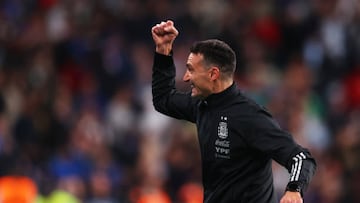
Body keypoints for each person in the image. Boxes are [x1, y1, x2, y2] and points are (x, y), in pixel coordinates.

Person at [151, 20, 316, 203]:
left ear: (213, 74)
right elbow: (163, 100)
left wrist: (294, 189)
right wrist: (163, 51)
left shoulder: (250, 117)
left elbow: (301, 157)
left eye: (191, 69)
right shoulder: (201, 106)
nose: (185, 77)